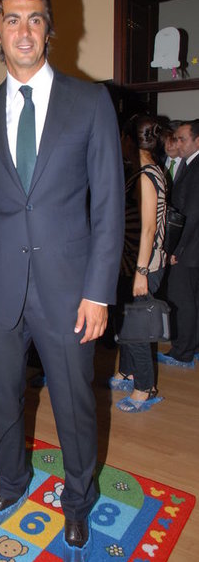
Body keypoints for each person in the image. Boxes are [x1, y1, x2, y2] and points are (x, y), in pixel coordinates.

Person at [0, 0, 124, 562]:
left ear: (49, 29)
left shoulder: (90, 101)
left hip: (69, 289)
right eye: (12, 19)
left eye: (35, 18)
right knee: (4, 397)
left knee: (75, 403)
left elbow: (109, 205)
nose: (24, 30)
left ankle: (77, 500)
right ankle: (11, 484)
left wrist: (98, 292)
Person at [110, 114, 167, 411]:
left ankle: (145, 387)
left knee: (136, 328)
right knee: (127, 319)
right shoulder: (150, 170)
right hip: (134, 261)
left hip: (143, 265)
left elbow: (148, 227)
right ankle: (128, 372)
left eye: (122, 137)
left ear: (130, 140)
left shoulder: (146, 175)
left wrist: (142, 272)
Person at [158, 119, 199, 369]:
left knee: (182, 299)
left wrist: (176, 248)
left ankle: (182, 352)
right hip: (192, 247)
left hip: (188, 248)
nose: (178, 144)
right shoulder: (190, 164)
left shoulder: (195, 167)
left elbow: (192, 213)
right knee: (192, 299)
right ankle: (191, 347)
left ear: (197, 140)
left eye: (182, 139)